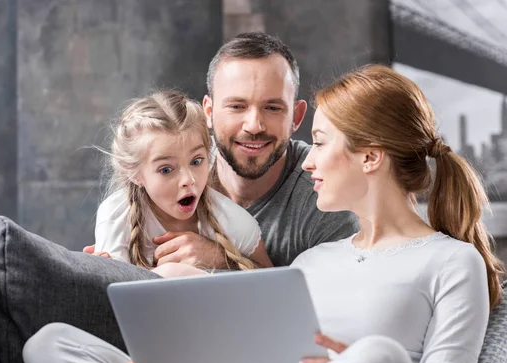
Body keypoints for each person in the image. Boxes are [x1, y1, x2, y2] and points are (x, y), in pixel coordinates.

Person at [124, 65, 504, 363]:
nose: (307, 160)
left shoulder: (452, 261)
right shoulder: (311, 263)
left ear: (370, 157)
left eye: (320, 143)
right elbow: (259, 358)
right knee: (66, 347)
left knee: (380, 358)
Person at [86, 32, 359, 267]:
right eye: (236, 106)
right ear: (209, 112)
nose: (253, 125)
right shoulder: (157, 177)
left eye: (272, 107)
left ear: (297, 117)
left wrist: (221, 259)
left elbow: (337, 311)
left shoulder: (325, 198)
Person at [93, 89, 272, 274]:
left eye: (196, 161)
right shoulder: (116, 214)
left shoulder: (233, 221)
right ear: (134, 173)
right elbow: (113, 294)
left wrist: (220, 259)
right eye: (166, 170)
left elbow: (274, 286)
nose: (189, 179)